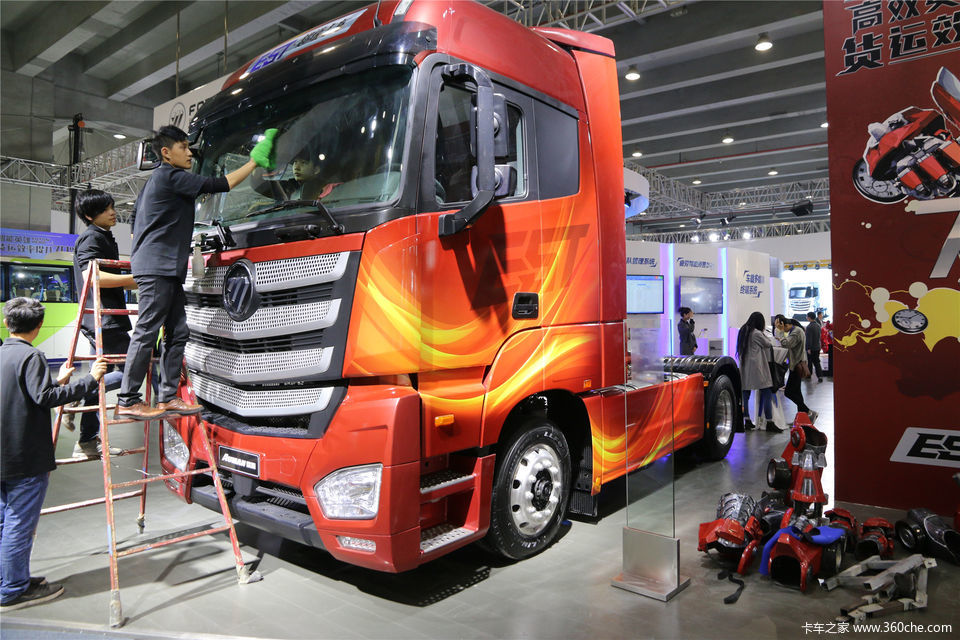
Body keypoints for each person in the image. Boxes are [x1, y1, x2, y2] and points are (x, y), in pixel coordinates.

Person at [116, 125, 277, 419]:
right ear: (166, 153)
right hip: (158, 268)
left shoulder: (155, 182)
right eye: (183, 148)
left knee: (178, 332)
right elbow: (223, 184)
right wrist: (255, 161)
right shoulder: (171, 176)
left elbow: (135, 223)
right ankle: (127, 400)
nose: (190, 153)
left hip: (165, 267)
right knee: (147, 331)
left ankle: (167, 397)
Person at [1, 298, 107, 610]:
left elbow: (23, 392)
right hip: (24, 457)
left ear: (7, 323)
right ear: (38, 326)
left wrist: (56, 380)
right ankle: (13, 590)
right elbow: (45, 398)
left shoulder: (4, 353)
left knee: (5, 523)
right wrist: (90, 379)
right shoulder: (31, 355)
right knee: (19, 525)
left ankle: (10, 578)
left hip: (4, 456)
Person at [70, 189, 135, 458]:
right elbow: (92, 277)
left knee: (108, 373)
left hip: (105, 317)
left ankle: (86, 440)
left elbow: (108, 278)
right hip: (104, 319)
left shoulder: (103, 236)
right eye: (105, 209)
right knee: (134, 368)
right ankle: (77, 391)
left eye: (112, 206)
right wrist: (134, 279)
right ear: (89, 215)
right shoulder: (92, 238)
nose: (113, 212)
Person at [735, 311, 778, 431]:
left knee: (745, 394)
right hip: (757, 368)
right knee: (767, 392)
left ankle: (747, 420)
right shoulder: (756, 333)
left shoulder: (743, 331)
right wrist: (764, 334)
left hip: (745, 367)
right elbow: (768, 344)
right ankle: (769, 422)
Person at [774, 314, 817, 424]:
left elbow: (786, 344)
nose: (783, 330)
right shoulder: (795, 330)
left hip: (797, 365)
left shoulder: (796, 332)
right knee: (797, 392)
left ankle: (809, 412)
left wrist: (780, 333)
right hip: (796, 364)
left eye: (781, 326)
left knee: (788, 392)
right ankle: (801, 419)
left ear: (785, 325)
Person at [805, 312, 824, 382]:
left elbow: (809, 339)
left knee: (810, 362)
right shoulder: (818, 325)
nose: (806, 317)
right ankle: (820, 376)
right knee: (817, 362)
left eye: (807, 316)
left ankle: (809, 375)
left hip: (812, 348)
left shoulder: (809, 327)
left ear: (809, 317)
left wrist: (808, 348)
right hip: (817, 346)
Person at [818, 311, 834, 377]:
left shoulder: (829, 326)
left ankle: (830, 372)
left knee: (830, 359)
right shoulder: (830, 325)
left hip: (830, 344)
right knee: (831, 359)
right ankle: (831, 372)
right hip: (831, 344)